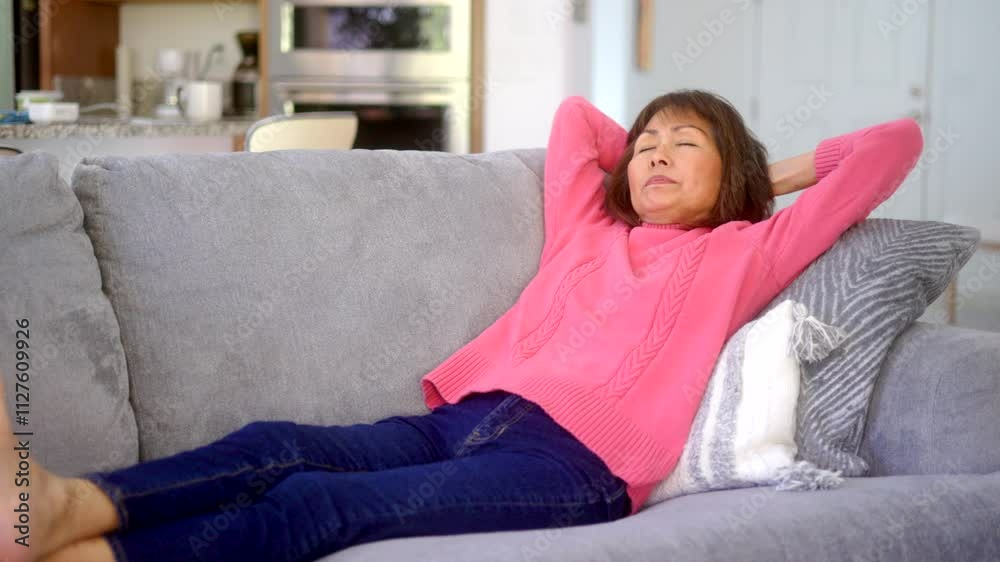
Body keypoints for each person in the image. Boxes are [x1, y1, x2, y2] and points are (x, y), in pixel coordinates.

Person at [0, 89, 923, 562]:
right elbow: (578, 121)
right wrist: (663, 151)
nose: (654, 154)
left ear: (734, 176)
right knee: (275, 444)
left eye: (685, 144)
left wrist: (763, 178)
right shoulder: (590, 229)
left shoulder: (747, 251)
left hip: (571, 467)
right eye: (647, 143)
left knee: (316, 506)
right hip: (467, 417)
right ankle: (58, 508)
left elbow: (892, 147)